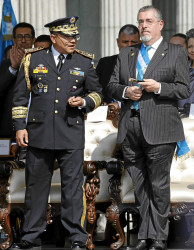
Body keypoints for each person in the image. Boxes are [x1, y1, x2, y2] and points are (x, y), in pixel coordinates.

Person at [11, 16, 103, 250]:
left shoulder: (84, 61)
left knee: (72, 188)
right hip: (38, 133)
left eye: (75, 36)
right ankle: (30, 236)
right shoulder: (32, 59)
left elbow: (98, 93)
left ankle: (77, 238)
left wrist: (83, 101)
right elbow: (20, 97)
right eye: (67, 36)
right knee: (35, 187)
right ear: (53, 38)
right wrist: (20, 127)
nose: (73, 40)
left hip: (70, 132)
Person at [106, 5, 190, 250]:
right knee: (140, 183)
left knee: (158, 184)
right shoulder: (127, 54)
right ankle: (145, 235)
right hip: (130, 126)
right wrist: (125, 91)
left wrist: (159, 87)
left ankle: (160, 237)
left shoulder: (175, 52)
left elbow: (184, 90)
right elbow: (111, 85)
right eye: (141, 21)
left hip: (161, 127)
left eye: (149, 21)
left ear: (160, 25)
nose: (144, 25)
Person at [0, 23, 35, 140]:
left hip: (37, 127)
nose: (23, 40)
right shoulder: (5, 64)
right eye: (19, 37)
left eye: (27, 36)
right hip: (9, 128)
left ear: (33, 39)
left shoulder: (42, 64)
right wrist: (13, 68)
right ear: (14, 40)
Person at [96, 24, 140, 103]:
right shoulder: (104, 63)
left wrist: (119, 105)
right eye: (125, 42)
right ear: (118, 42)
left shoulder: (143, 65)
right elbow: (96, 90)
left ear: (140, 43)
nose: (129, 45)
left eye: (133, 42)